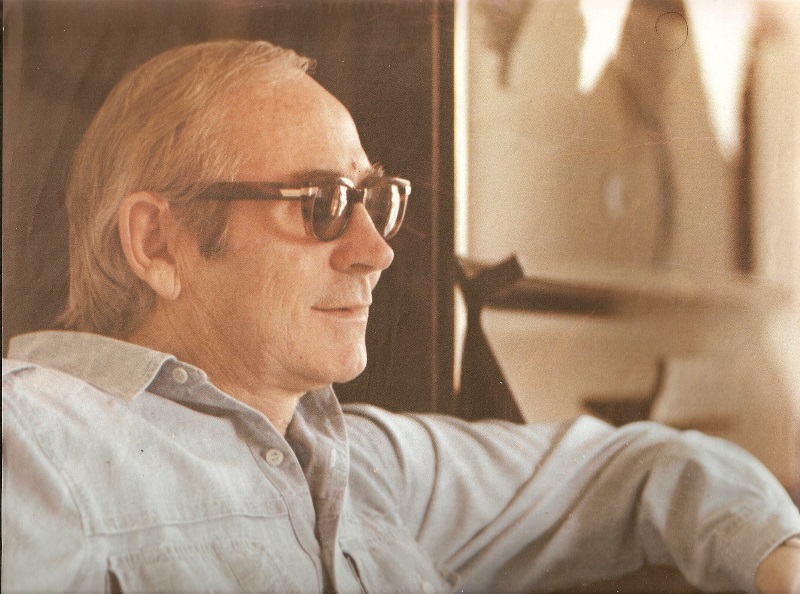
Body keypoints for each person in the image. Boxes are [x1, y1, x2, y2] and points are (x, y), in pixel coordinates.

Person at [2, 39, 799, 594]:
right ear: (158, 242)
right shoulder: (34, 441)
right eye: (321, 203)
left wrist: (780, 555)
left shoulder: (370, 465)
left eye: (373, 199)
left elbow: (628, 468)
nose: (376, 251)